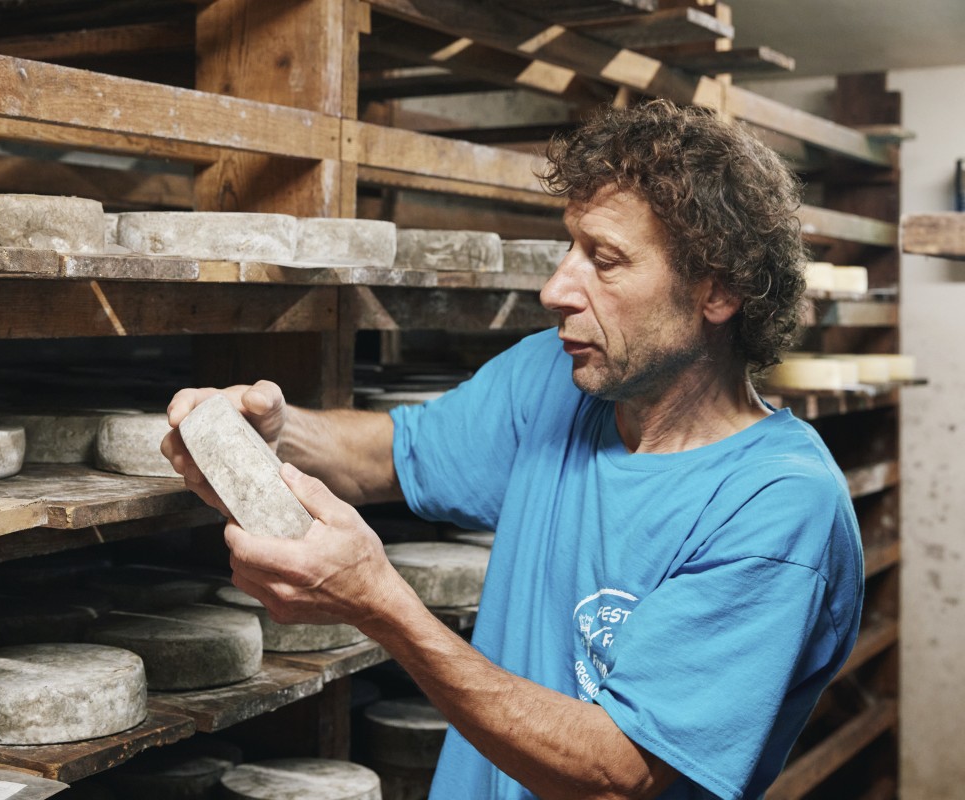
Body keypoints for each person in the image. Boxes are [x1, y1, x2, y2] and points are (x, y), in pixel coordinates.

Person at [163, 100, 863, 800]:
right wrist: (273, 436)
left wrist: (382, 608)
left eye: (605, 260)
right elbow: (387, 454)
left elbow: (619, 775)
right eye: (570, 248)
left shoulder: (779, 508)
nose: (555, 288)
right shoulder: (556, 380)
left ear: (718, 291)